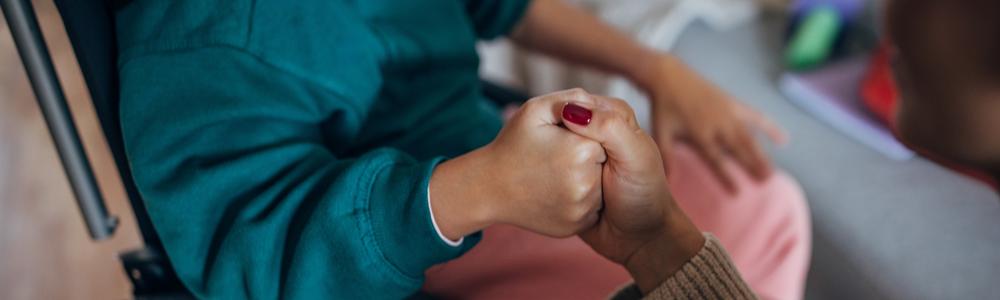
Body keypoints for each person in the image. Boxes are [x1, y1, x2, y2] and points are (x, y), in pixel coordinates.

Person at [114, 0, 809, 299]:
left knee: (766, 206)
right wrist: (481, 190)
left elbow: (503, 6)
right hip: (397, 243)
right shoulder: (206, 38)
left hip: (491, 158)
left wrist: (658, 69)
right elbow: (252, 254)